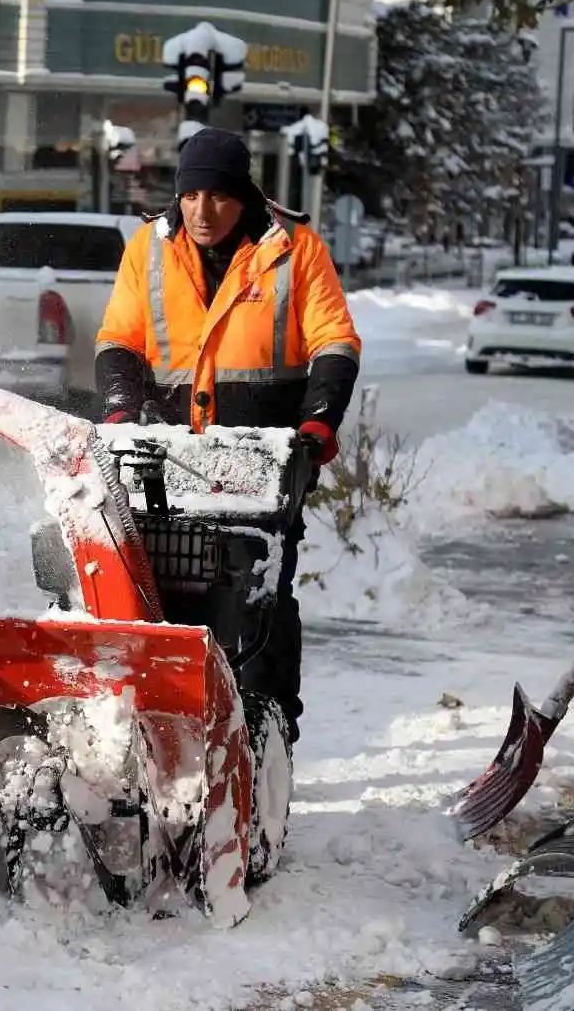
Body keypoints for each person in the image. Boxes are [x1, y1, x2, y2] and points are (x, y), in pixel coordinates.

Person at [94, 126, 362, 744]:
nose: (201, 211)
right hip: (169, 457)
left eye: (217, 197)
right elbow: (120, 338)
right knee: (162, 587)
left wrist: (318, 421)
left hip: (265, 462)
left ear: (244, 196)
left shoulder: (296, 250)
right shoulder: (149, 248)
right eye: (190, 196)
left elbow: (334, 341)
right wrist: (118, 406)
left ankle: (267, 731)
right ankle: (166, 722)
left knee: (260, 590)